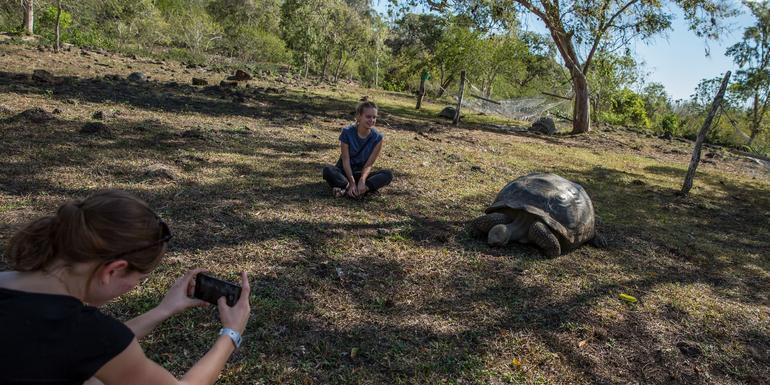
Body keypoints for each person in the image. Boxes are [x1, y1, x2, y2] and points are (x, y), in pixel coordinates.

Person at [0, 190, 251, 385]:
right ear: (113, 270)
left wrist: (163, 310)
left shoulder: (10, 286)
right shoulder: (87, 332)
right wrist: (231, 333)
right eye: (139, 279)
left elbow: (90, 350)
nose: (134, 286)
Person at [323, 100, 393, 199]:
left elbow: (368, 165)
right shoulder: (347, 132)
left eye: (374, 117)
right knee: (328, 170)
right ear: (359, 116)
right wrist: (351, 183)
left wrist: (362, 180)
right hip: (344, 173)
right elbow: (345, 160)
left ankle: (359, 189)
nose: (372, 120)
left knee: (388, 174)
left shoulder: (378, 138)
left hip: (360, 174)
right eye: (368, 116)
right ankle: (350, 188)